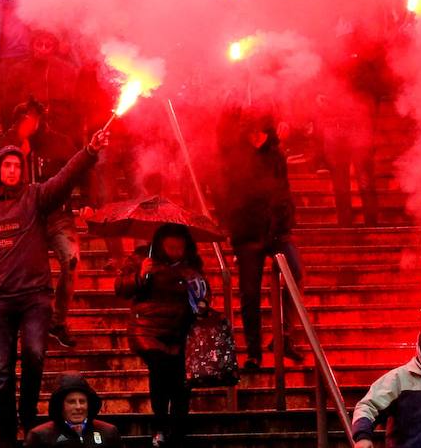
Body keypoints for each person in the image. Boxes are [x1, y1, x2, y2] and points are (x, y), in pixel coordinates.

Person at [0, 129, 110, 448]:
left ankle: (28, 420)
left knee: (34, 354)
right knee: (0, 371)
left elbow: (63, 179)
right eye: (7, 165)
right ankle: (6, 436)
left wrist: (89, 150)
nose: (12, 170)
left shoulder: (35, 197)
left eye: (17, 165)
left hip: (33, 298)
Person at [216, 107, 305, 372]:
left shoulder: (276, 156)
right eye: (252, 132)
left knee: (295, 273)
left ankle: (285, 336)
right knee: (250, 293)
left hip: (276, 229)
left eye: (261, 132)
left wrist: (284, 219)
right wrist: (234, 229)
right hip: (248, 231)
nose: (256, 138)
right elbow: (227, 194)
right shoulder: (236, 158)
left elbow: (282, 190)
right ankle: (254, 351)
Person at [0, 98, 80, 349]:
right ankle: (23, 319)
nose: (31, 124)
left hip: (56, 214)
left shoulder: (60, 142)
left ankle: (59, 320)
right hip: (22, 215)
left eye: (34, 118)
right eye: (24, 119)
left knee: (72, 259)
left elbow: (79, 170)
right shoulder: (7, 144)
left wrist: (87, 199)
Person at [115, 224, 208, 448]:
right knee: (160, 370)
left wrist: (203, 302)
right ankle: (160, 424)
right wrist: (140, 275)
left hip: (180, 331)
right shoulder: (142, 258)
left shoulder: (191, 266)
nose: (175, 251)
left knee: (180, 382)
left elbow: (203, 291)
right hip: (148, 328)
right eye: (170, 246)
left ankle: (176, 429)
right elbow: (121, 289)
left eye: (180, 247)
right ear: (160, 244)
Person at [24, 373, 123, 447]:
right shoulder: (40, 436)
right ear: (60, 405)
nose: (78, 407)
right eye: (71, 402)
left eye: (82, 401)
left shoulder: (109, 432)